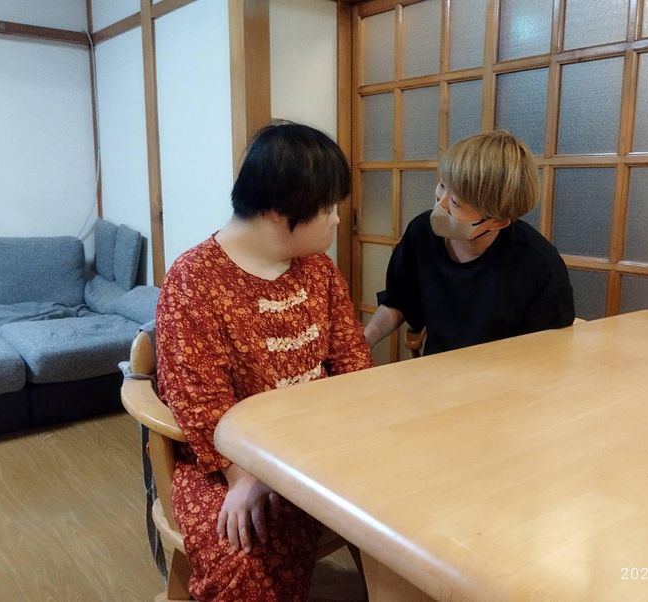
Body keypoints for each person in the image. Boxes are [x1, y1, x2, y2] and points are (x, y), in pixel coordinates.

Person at [155, 122, 372, 601]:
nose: (337, 220)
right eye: (327, 208)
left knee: (404, 508)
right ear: (280, 210)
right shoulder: (194, 279)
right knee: (245, 556)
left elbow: (353, 363)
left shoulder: (318, 269)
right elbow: (200, 402)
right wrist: (244, 475)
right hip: (223, 462)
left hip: (318, 447)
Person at [364, 130, 574, 355]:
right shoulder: (421, 233)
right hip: (437, 368)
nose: (441, 204)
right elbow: (399, 302)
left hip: (505, 372)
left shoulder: (540, 265)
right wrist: (362, 341)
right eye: (442, 185)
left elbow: (548, 351)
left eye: (456, 202)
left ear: (497, 222)